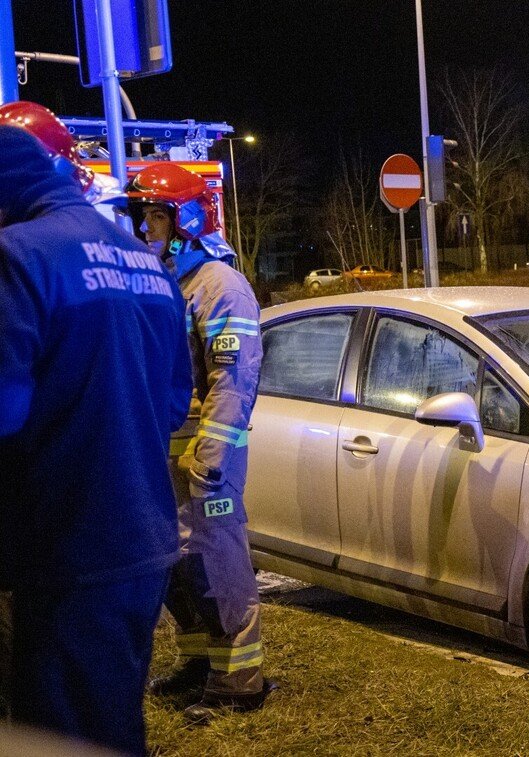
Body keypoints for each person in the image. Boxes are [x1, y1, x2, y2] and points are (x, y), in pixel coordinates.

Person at [0, 125, 192, 754]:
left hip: (65, 542)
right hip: (142, 540)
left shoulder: (19, 256)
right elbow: (169, 408)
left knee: (55, 732)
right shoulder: (146, 264)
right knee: (110, 723)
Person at [123, 163, 271, 724]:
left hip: (206, 459)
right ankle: (199, 663)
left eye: (156, 215)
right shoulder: (169, 282)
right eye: (144, 215)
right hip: (165, 455)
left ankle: (241, 680)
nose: (146, 228)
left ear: (186, 219)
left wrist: (211, 456)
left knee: (218, 563)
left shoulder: (220, 286)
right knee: (179, 568)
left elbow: (234, 379)